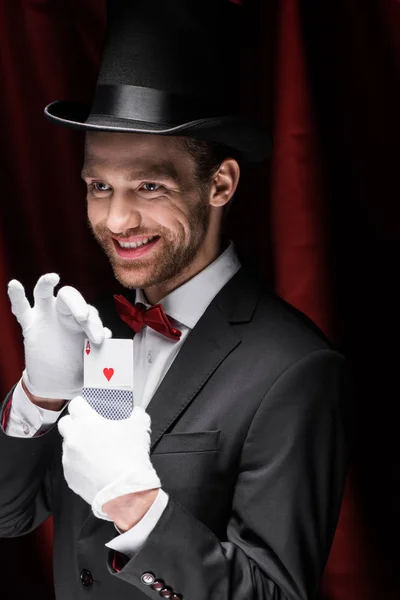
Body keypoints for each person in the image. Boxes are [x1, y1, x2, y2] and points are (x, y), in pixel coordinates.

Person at [0, 1, 349, 598]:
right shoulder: (89, 327)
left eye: (150, 187)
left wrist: (138, 508)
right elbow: (10, 516)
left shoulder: (295, 368)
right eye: (99, 186)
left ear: (220, 184)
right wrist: (37, 396)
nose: (116, 219)